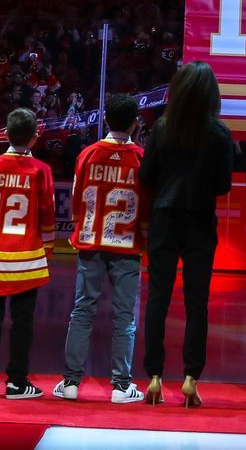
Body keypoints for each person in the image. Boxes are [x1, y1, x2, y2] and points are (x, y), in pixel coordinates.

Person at [139, 61, 233, 407]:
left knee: (158, 300)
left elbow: (146, 175)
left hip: (165, 218)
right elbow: (223, 185)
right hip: (199, 221)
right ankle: (191, 378)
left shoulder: (162, 127)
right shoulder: (220, 133)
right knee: (197, 303)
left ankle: (154, 377)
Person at [54, 93, 149, 404]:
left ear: (106, 120)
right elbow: (147, 206)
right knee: (125, 317)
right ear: (136, 123)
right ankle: (122, 387)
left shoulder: (88, 154)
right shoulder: (140, 158)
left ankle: (70, 383)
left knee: (82, 311)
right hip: (126, 246)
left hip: (92, 242)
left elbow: (77, 198)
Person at [0, 108, 56, 399]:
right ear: (35, 138)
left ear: (5, 133)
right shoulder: (41, 170)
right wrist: (48, 249)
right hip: (26, 256)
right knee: (22, 321)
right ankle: (17, 382)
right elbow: (48, 214)